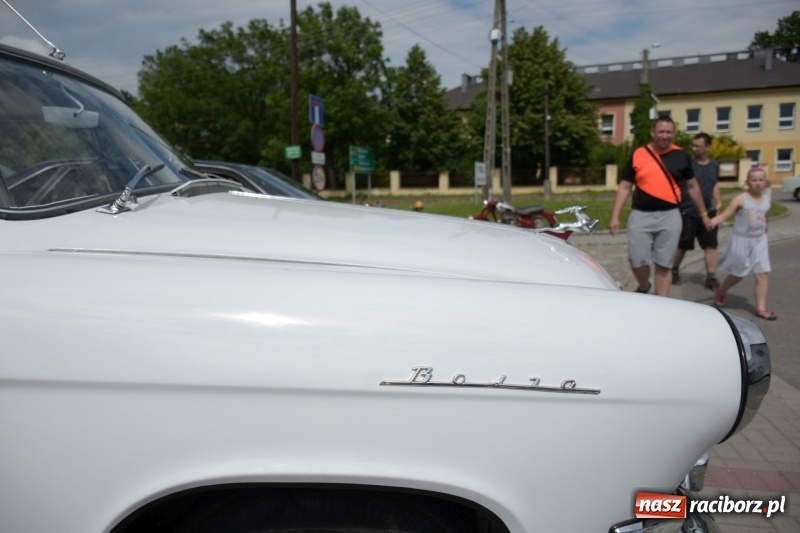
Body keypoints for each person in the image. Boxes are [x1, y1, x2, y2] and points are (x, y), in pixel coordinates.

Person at [610, 116, 711, 297]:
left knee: (664, 263)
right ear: (653, 132)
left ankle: (661, 303)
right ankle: (643, 285)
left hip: (670, 215)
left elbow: (692, 186)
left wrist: (703, 213)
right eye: (661, 132)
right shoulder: (638, 154)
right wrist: (615, 216)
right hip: (641, 215)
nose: (665, 136)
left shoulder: (681, 156)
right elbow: (625, 186)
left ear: (674, 133)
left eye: (668, 132)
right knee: (637, 259)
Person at [709, 167, 776, 320]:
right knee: (739, 273)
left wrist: (766, 230)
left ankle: (761, 308)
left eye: (761, 180)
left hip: (760, 241)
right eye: (754, 180)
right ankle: (722, 291)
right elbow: (726, 215)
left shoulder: (766, 199)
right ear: (747, 182)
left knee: (762, 273)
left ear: (765, 182)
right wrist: (712, 222)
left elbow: (766, 217)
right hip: (741, 241)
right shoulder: (740, 199)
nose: (758, 183)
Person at [671, 133, 722, 290]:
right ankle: (673, 270)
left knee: (711, 245)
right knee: (683, 244)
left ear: (707, 147)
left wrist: (718, 201)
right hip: (688, 211)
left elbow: (714, 184)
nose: (695, 149)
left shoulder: (714, 165)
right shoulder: (688, 164)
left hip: (709, 211)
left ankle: (711, 277)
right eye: (693, 146)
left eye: (698, 146)